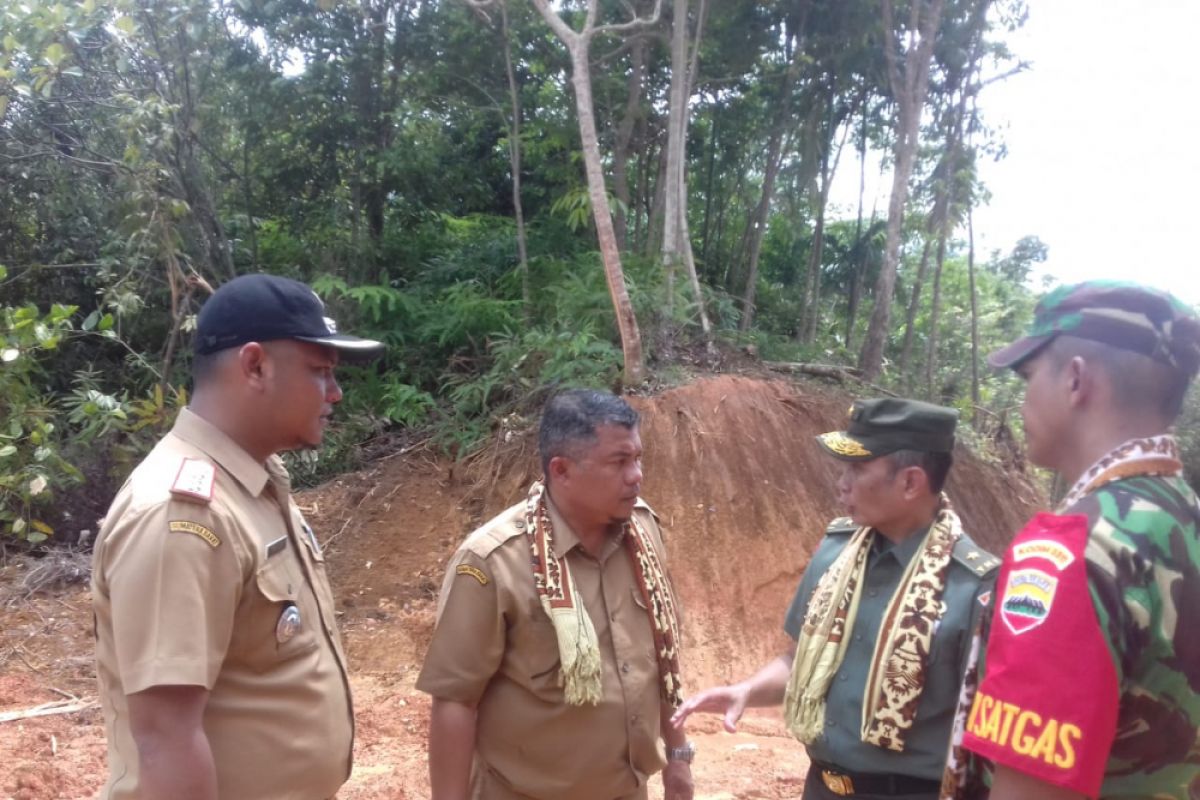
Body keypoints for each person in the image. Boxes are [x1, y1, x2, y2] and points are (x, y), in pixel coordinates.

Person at [91, 273, 383, 799]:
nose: (335, 393)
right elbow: (166, 741)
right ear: (254, 366)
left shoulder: (250, 484)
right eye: (320, 371)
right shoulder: (181, 515)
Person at [944, 281, 1200, 800]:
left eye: (1029, 374)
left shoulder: (1072, 553)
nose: (1024, 397)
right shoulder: (1184, 519)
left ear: (1076, 380)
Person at [673, 398, 1000, 800]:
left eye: (858, 469)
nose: (842, 482)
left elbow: (990, 732)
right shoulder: (837, 556)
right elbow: (800, 660)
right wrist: (747, 691)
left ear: (911, 482)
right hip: (822, 788)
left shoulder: (975, 587)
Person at [417, 389, 694, 800]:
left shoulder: (643, 534)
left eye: (637, 458)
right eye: (619, 462)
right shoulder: (494, 562)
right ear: (561, 470)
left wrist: (678, 755)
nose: (636, 475)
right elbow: (455, 701)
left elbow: (663, 654)